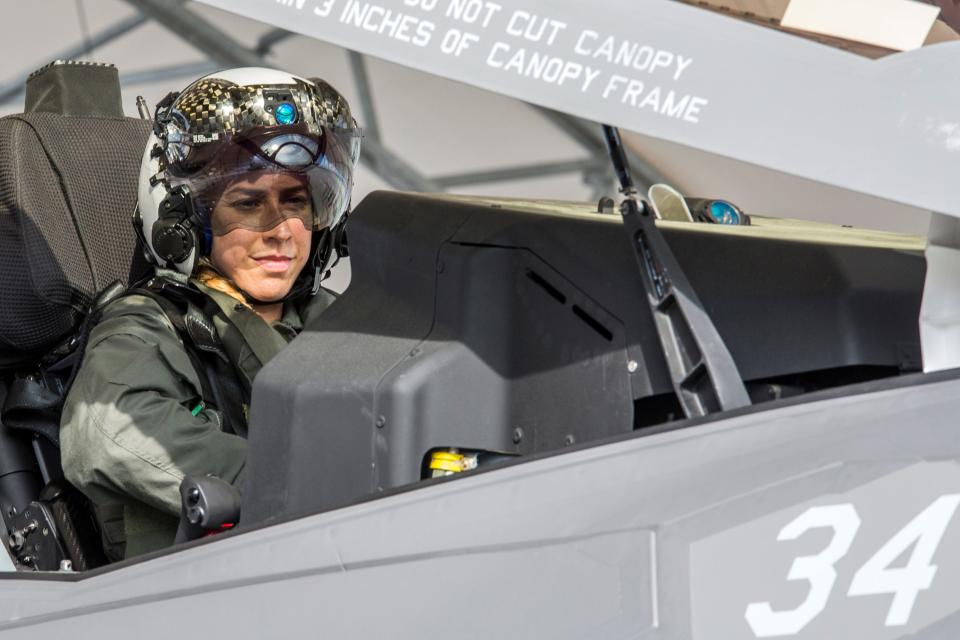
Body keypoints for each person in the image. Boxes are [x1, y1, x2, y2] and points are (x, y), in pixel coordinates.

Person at [59, 68, 361, 560]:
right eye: (247, 204)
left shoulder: (345, 322)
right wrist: (305, 479)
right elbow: (103, 433)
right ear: (184, 220)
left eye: (296, 201)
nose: (280, 230)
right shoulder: (149, 325)